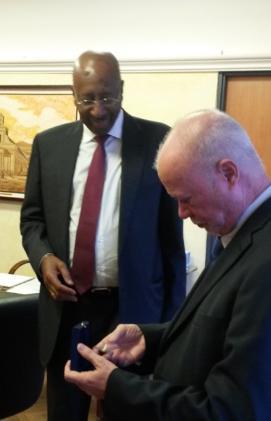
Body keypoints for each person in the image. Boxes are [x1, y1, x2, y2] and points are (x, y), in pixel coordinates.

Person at [65, 109, 271, 420]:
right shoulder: (251, 231)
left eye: (187, 199)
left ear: (228, 173)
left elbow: (233, 412)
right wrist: (149, 339)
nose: (181, 213)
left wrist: (116, 387)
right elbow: (224, 330)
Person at [20, 50, 186, 420]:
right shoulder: (48, 145)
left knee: (126, 413)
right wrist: (44, 259)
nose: (98, 110)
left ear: (122, 89)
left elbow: (172, 244)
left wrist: (172, 327)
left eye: (108, 97)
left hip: (133, 311)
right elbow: (32, 220)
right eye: (87, 99)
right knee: (64, 411)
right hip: (67, 310)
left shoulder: (159, 141)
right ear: (73, 95)